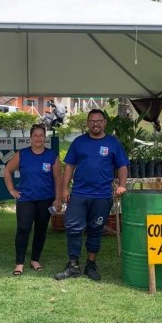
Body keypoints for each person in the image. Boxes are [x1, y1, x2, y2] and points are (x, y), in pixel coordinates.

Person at [54, 109, 129, 281]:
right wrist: (65, 189)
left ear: (104, 123)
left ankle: (91, 264)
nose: (95, 124)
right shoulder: (79, 142)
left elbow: (122, 166)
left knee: (95, 229)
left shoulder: (113, 143)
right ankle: (73, 266)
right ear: (88, 123)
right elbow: (70, 166)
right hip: (79, 193)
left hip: (102, 196)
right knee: (73, 228)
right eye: (92, 121)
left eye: (99, 121)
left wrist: (122, 185)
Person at [4, 124, 62, 276]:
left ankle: (35, 259)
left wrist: (57, 199)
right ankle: (20, 262)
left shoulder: (52, 156)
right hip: (26, 199)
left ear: (45, 137)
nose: (38, 138)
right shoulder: (22, 154)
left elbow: (58, 178)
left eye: (41, 135)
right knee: (23, 228)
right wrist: (11, 190)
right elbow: (7, 170)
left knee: (41, 230)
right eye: (35, 135)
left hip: (46, 199)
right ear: (30, 138)